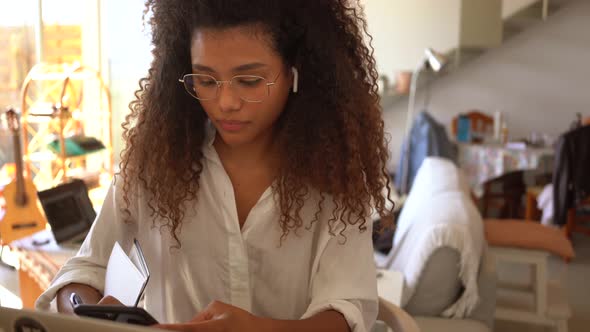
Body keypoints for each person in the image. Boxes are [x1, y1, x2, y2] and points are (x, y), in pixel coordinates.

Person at [36, 1, 394, 331]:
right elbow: (85, 270)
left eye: (250, 81)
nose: (224, 102)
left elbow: (346, 310)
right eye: (205, 80)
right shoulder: (154, 164)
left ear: (297, 73)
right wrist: (87, 314)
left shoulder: (335, 176)